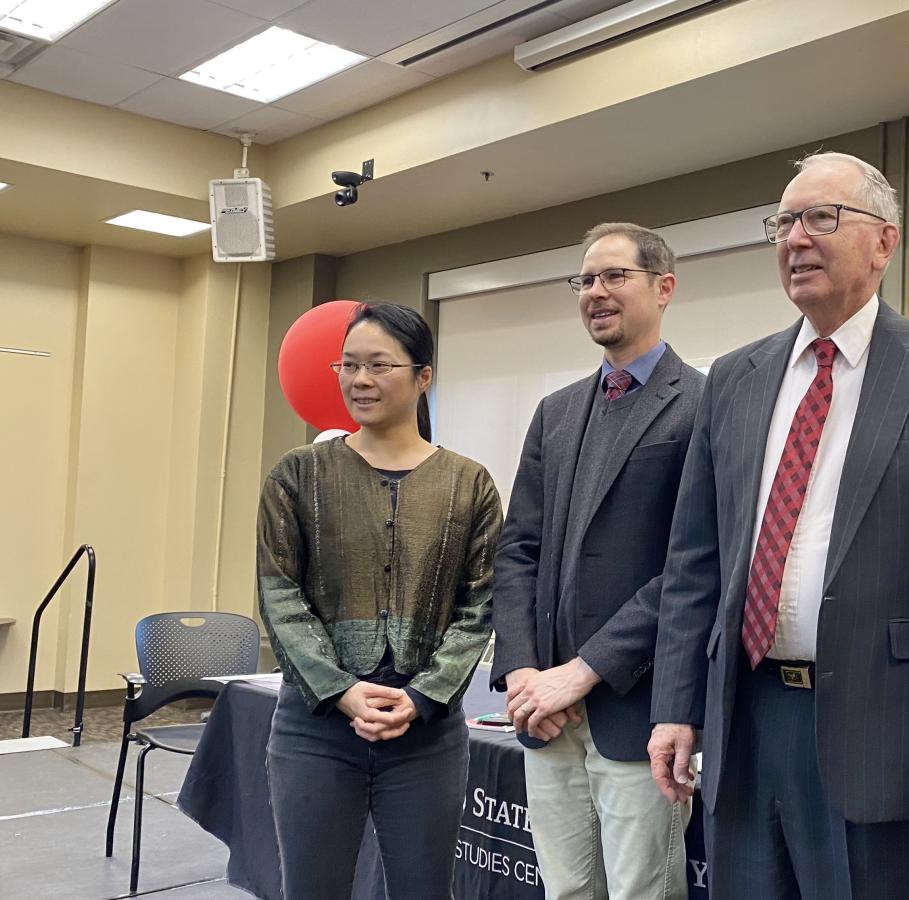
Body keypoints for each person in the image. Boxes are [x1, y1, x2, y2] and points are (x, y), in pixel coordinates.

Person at [648, 152, 909, 899]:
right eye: (784, 222)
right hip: (745, 727)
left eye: (822, 218)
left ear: (884, 242)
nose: (796, 238)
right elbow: (696, 562)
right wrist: (675, 707)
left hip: (885, 738)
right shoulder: (735, 378)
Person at [257, 301, 502, 900]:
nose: (360, 380)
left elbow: (481, 603)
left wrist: (422, 697)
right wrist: (340, 689)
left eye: (380, 365)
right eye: (349, 365)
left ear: (422, 377)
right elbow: (278, 592)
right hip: (315, 728)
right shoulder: (298, 475)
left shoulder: (468, 484)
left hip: (426, 736)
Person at [490, 222, 704, 899]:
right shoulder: (555, 413)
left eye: (615, 276)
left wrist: (580, 674)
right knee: (564, 891)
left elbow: (694, 567)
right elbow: (518, 548)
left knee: (644, 891)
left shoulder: (704, 405)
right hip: (547, 716)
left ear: (663, 288)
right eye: (585, 280)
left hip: (638, 710)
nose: (595, 292)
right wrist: (525, 673)